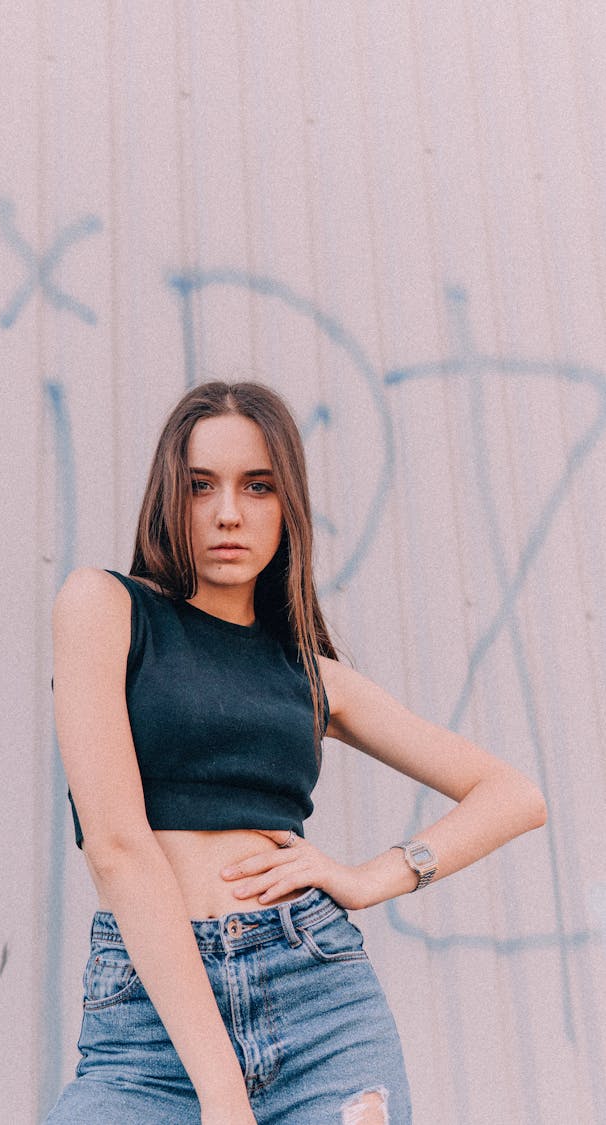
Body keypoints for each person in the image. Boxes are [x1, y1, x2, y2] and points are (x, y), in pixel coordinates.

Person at [44, 380, 547, 1125]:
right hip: (148, 1023)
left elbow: (512, 794)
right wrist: (221, 1090)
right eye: (199, 486)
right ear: (166, 499)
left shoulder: (312, 674)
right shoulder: (104, 607)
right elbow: (117, 847)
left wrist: (370, 876)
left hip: (317, 1001)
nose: (227, 512)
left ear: (290, 507)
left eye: (258, 486)